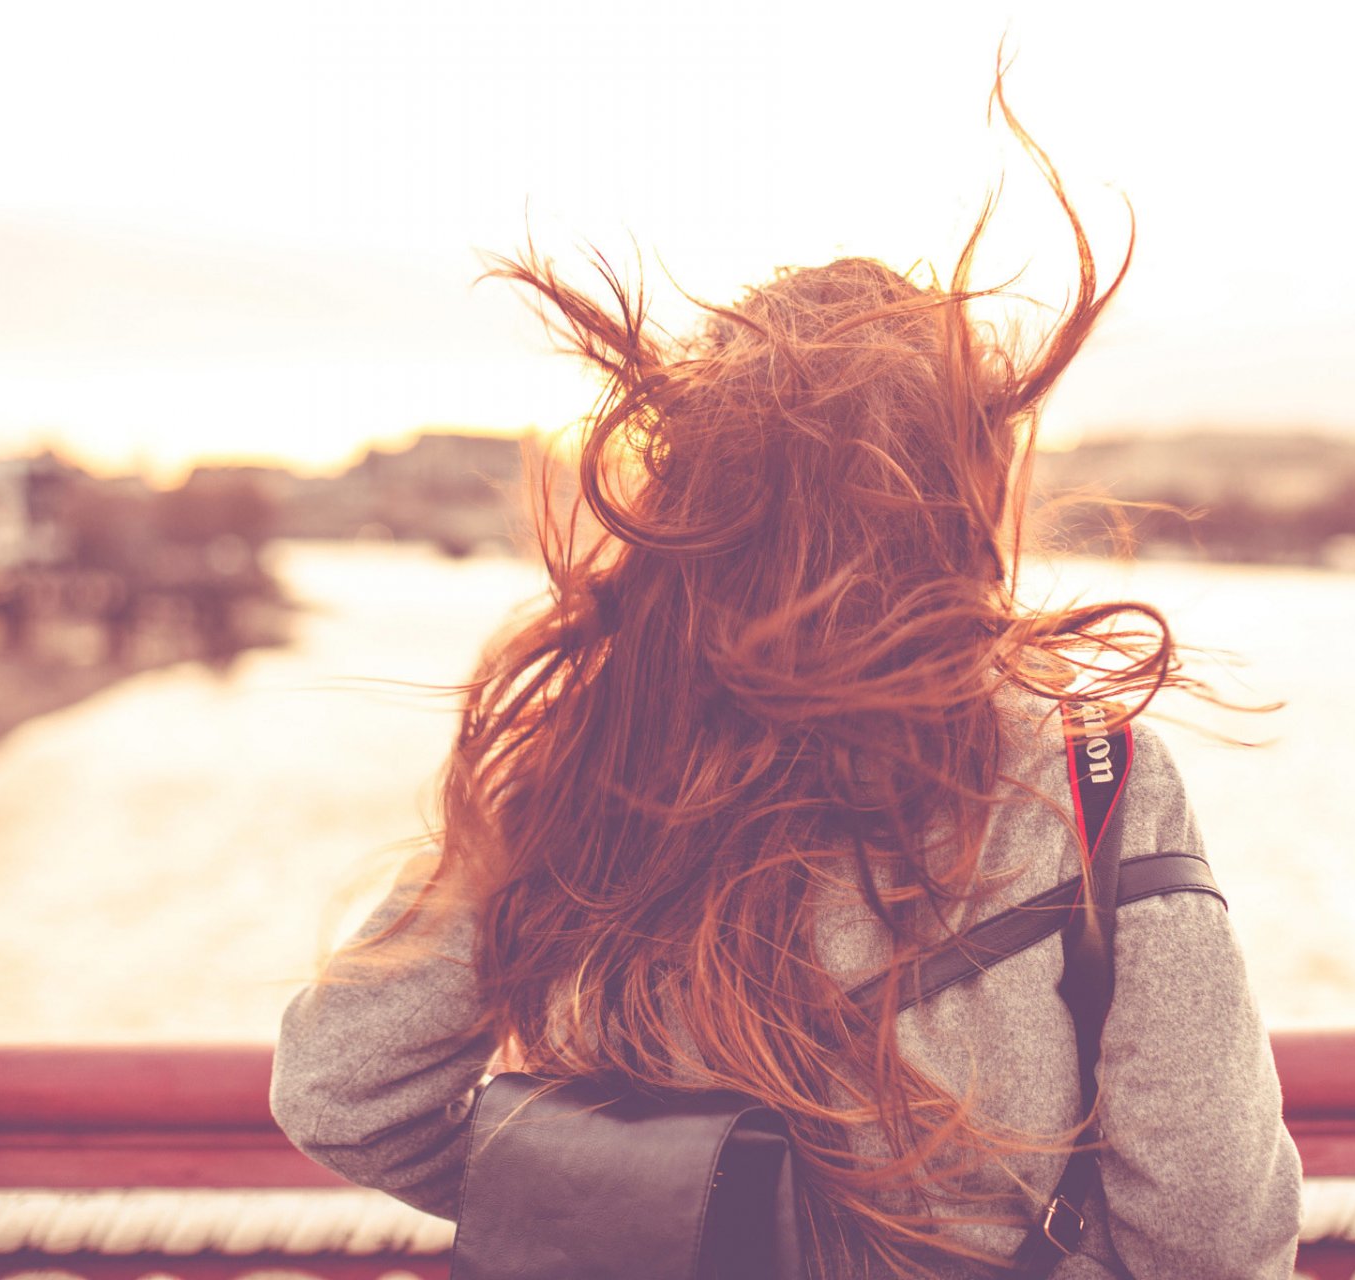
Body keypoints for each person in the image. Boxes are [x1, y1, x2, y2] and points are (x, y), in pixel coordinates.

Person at [271, 101, 1301, 1279]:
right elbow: (1214, 1232)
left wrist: (607, 1209)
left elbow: (339, 1085)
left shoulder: (588, 757)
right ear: (962, 486)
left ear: (694, 502)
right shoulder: (1093, 772)